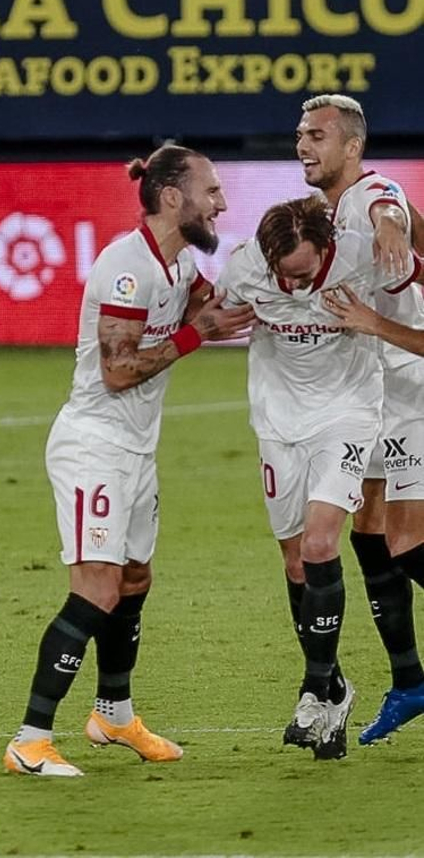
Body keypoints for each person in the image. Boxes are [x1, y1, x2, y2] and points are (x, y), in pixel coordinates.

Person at [4, 146, 253, 778]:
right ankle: (29, 741)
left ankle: (113, 714)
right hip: (96, 445)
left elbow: (214, 303)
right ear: (174, 198)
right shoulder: (126, 266)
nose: (220, 202)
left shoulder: (176, 265)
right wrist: (200, 334)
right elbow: (117, 371)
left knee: (135, 579)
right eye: (212, 190)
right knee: (98, 586)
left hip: (137, 449)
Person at [217, 196, 423, 759]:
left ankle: (312, 691)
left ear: (328, 250)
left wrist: (373, 314)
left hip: (350, 415)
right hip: (277, 426)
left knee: (320, 541)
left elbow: (415, 311)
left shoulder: (367, 258)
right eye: (285, 274)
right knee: (294, 562)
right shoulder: (245, 267)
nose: (295, 284)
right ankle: (334, 688)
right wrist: (210, 325)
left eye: (305, 272)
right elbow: (211, 314)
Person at [297, 94, 424, 744]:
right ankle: (409, 681)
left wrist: (393, 228)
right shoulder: (328, 210)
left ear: (352, 147)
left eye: (317, 133)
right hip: (378, 399)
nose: (303, 143)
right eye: (299, 132)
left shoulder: (373, 193)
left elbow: (390, 207)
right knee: (370, 535)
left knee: (408, 542)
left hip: (414, 395)